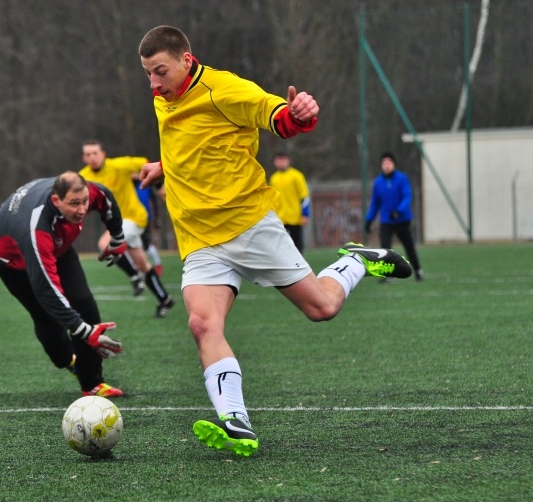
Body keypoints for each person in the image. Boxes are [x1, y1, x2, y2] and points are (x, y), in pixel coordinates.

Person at [137, 25, 412, 457]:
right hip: (200, 240)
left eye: (160, 71)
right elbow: (196, 143)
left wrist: (299, 113)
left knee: (322, 308)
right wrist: (164, 166)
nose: (154, 83)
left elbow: (278, 117)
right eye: (148, 74)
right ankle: (237, 421)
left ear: (186, 61)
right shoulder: (164, 97)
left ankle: (357, 261)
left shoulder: (225, 89)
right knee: (202, 324)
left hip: (249, 226)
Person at [0, 171, 127, 398]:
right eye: (74, 204)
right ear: (56, 200)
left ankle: (92, 383)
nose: (82, 210)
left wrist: (117, 238)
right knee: (47, 317)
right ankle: (68, 360)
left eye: (85, 202)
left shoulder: (88, 192)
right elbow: (47, 290)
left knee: (84, 302)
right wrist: (84, 331)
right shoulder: (36, 229)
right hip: (14, 261)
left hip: (56, 247)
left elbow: (106, 199)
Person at [79, 140, 175, 317]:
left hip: (134, 217)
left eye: (95, 153)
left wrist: (159, 185)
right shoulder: (83, 178)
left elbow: (145, 163)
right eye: (88, 154)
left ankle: (134, 276)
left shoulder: (119, 166)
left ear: (103, 154)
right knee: (143, 264)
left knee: (104, 244)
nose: (92, 157)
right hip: (117, 223)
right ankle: (164, 298)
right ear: (84, 158)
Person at [364, 152, 424, 281]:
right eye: (384, 163)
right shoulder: (378, 182)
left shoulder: (402, 179)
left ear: (394, 164)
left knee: (409, 246)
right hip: (386, 220)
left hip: (402, 219)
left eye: (389, 163)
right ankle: (389, 274)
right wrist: (369, 220)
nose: (386, 165)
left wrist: (398, 211)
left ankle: (418, 270)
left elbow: (407, 197)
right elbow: (375, 203)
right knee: (385, 247)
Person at [268, 151, 311, 251]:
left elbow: (304, 196)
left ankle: (299, 260)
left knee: (297, 244)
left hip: (294, 216)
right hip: (280, 217)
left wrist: (305, 214)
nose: (281, 163)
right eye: (279, 160)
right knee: (280, 245)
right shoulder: (274, 178)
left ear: (288, 161)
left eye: (283, 160)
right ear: (274, 162)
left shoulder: (296, 175)